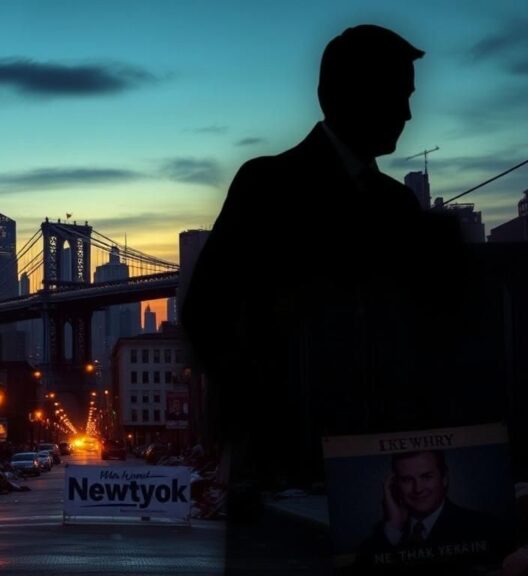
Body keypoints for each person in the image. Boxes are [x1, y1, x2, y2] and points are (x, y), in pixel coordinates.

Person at [181, 23, 501, 572]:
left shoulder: (397, 206)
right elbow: (205, 315)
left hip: (376, 474)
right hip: (287, 488)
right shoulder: (267, 185)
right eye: (398, 94)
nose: (408, 113)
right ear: (350, 94)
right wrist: (268, 424)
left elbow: (426, 337)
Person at [355, 451, 508, 573]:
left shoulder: (485, 527)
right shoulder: (386, 534)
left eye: (426, 477)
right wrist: (394, 526)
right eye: (407, 480)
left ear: (444, 478)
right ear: (395, 485)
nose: (418, 489)